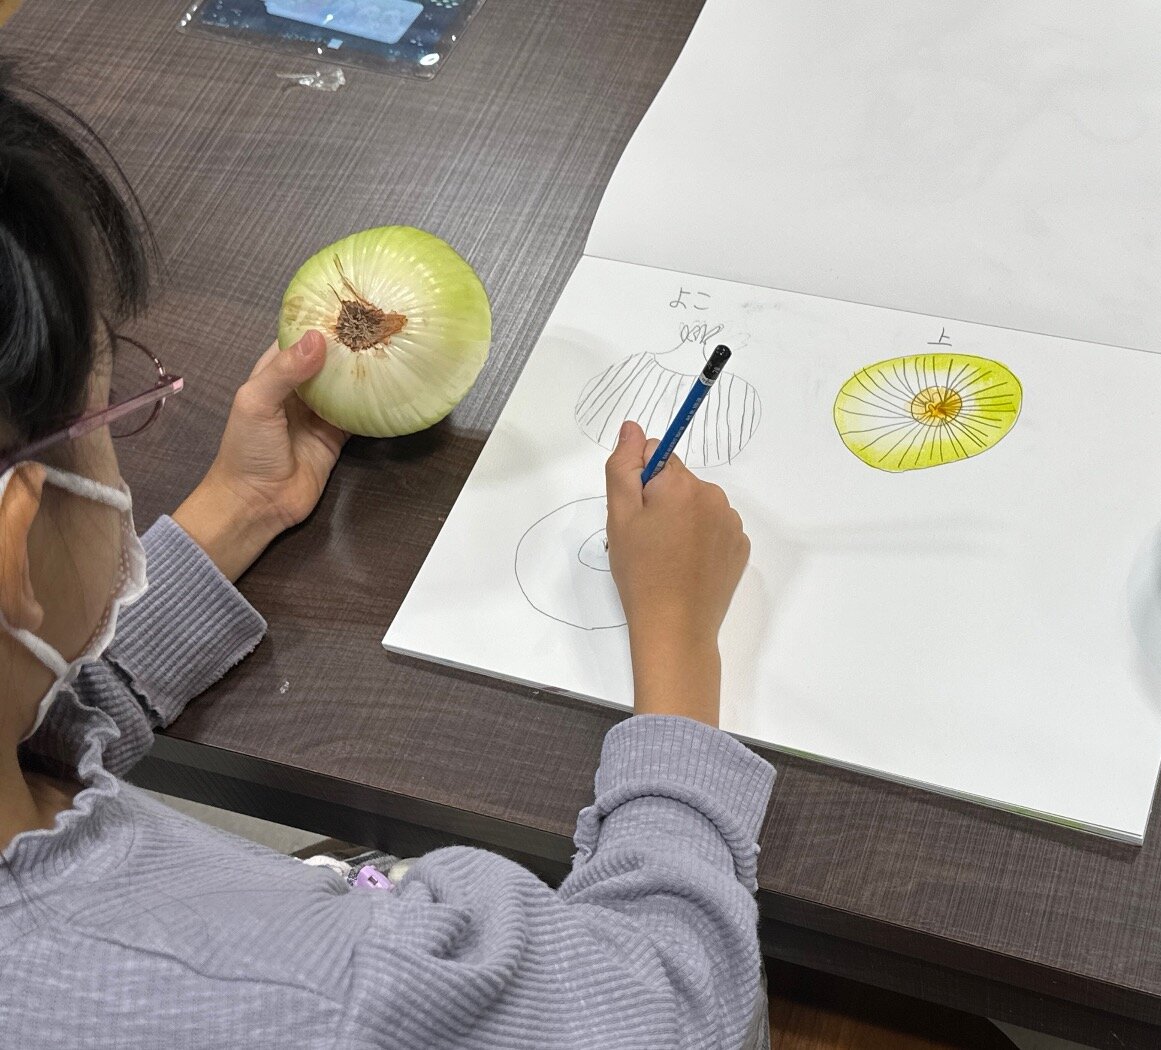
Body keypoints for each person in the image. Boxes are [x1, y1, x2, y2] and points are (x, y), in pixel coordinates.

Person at [0, 65, 771, 1048]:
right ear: (16, 541)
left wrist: (238, 509)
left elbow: (36, 715)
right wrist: (677, 635)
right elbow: (675, 1008)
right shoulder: (321, 990)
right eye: (112, 407)